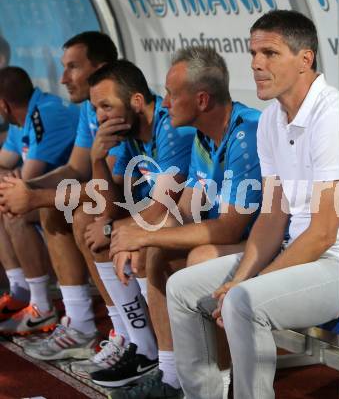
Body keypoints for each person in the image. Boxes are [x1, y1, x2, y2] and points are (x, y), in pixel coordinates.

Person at [165, 10, 339, 399]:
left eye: (270, 53)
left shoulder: (333, 116)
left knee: (242, 302)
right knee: (183, 289)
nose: (256, 63)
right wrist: (240, 277)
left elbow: (323, 233)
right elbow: (273, 217)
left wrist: (249, 283)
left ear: (305, 59)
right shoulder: (273, 119)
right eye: (253, 53)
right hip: (307, 256)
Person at [108, 46, 261, 399]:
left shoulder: (245, 133)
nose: (163, 103)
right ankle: (172, 376)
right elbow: (188, 209)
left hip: (266, 246)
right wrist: (141, 235)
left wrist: (142, 236)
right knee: (160, 253)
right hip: (236, 241)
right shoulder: (205, 136)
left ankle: (222, 387)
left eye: (172, 95)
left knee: (200, 259)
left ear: (202, 100)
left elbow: (229, 229)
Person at [0, 32, 123, 361]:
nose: (64, 78)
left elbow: (113, 187)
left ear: (102, 68)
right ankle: (79, 323)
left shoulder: (118, 108)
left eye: (72, 67)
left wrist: (37, 195)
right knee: (50, 203)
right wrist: (31, 188)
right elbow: (74, 168)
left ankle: (127, 334)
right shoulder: (88, 109)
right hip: (117, 199)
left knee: (69, 209)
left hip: (141, 204)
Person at [71, 59, 195, 387]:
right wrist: (97, 158)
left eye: (106, 106)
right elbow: (108, 205)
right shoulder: (130, 136)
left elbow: (165, 204)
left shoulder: (172, 127)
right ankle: (139, 343)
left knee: (139, 240)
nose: (99, 117)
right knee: (89, 223)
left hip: (195, 222)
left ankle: (166, 367)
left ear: (136, 102)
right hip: (169, 217)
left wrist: (118, 229)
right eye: (96, 108)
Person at [0, 66, 79, 334]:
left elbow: (28, 178)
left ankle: (42, 306)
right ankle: (20, 292)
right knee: (6, 197)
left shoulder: (47, 113)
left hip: (83, 197)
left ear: (3, 104)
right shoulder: (21, 117)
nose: (64, 77)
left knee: (14, 208)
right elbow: (5, 163)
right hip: (60, 192)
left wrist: (13, 181)